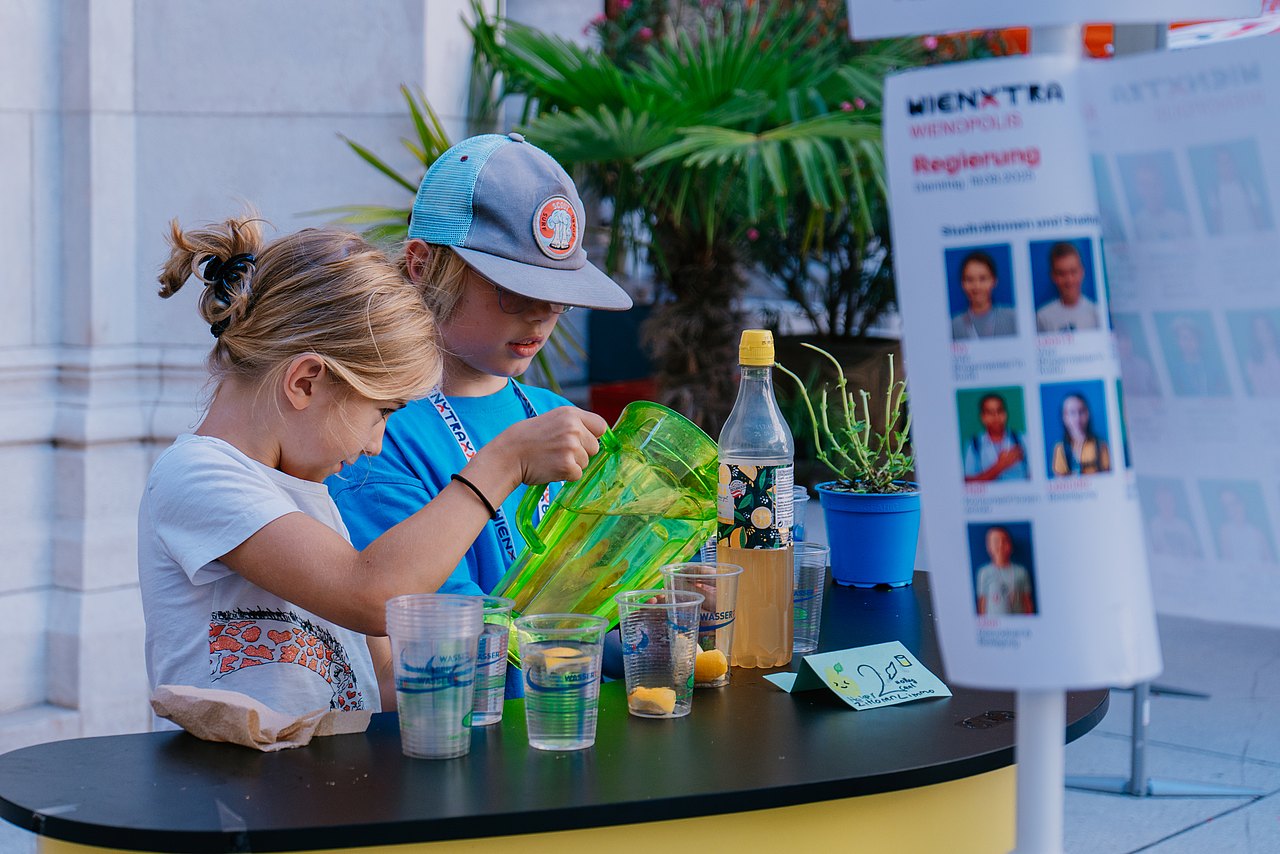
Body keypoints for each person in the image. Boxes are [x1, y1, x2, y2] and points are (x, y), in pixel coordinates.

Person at [138, 214, 606, 719]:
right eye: (381, 412)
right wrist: (501, 464)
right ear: (306, 382)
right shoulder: (197, 474)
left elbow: (383, 678)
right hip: (233, 771)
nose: (377, 444)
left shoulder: (305, 494)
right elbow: (372, 596)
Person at [329, 133, 632, 607]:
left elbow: (611, 587)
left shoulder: (557, 418)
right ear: (421, 266)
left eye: (558, 294)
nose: (541, 314)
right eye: (514, 290)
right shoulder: (371, 433)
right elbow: (429, 622)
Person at [950, 250, 1017, 340]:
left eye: (983, 279)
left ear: (994, 281)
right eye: (969, 279)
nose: (976, 286)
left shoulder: (1013, 318)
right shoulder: (953, 325)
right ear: (962, 284)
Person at [963, 393, 1028, 482]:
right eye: (990, 412)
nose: (996, 416)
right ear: (983, 417)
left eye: (999, 411)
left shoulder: (1022, 439)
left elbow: (1034, 476)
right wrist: (1000, 466)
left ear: (1005, 414)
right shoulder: (974, 444)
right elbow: (968, 482)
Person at [1035, 242, 1099, 333]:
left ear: (1082, 272)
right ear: (1053, 276)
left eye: (1073, 271)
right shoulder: (1042, 317)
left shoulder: (1097, 313)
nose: (1069, 280)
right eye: (1061, 274)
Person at [1203, 146, 1269, 235]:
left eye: (1228, 161)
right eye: (1221, 163)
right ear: (1216, 166)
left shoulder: (1246, 185)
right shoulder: (1214, 191)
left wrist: (1262, 235)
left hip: (1252, 237)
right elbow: (1216, 220)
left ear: (1233, 163)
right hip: (1229, 239)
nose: (1226, 166)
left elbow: (1257, 213)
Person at [974, 526, 1035, 615]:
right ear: (989, 547)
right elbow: (982, 602)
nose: (1001, 545)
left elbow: (1027, 601)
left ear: (1010, 545)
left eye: (1004, 541)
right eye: (996, 542)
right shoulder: (984, 572)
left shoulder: (1021, 571)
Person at [1130, 159, 1192, 243]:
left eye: (1155, 184)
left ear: (1163, 185)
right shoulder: (1135, 225)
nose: (1151, 190)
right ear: (1138, 189)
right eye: (1145, 185)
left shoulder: (1182, 221)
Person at [1050, 392, 1111, 477]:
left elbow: (1108, 477)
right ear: (1064, 417)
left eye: (1081, 411)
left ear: (1087, 414)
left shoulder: (1101, 445)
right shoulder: (1060, 448)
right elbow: (1060, 479)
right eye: (1072, 412)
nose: (1077, 418)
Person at [1166, 316, 1226, 397]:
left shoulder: (1213, 366)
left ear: (1199, 340)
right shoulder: (1173, 370)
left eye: (1192, 337)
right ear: (1178, 342)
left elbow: (1222, 390)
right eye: (1184, 338)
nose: (1188, 342)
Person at [1216, 486, 1274, 563]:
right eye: (1227, 506)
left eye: (1235, 503)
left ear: (1242, 502)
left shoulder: (1257, 532)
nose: (1233, 509)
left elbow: (1270, 561)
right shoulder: (1225, 531)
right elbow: (1228, 562)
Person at [1146, 483, 1201, 558]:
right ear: (1157, 503)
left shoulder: (1183, 525)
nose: (1166, 504)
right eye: (1163, 501)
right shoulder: (1154, 525)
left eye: (1169, 500)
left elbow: (1195, 550)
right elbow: (1156, 550)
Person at [1243, 314, 1280, 397]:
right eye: (1259, 330)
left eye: (1266, 328)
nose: (1264, 333)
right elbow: (1256, 390)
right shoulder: (1251, 362)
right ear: (1254, 334)